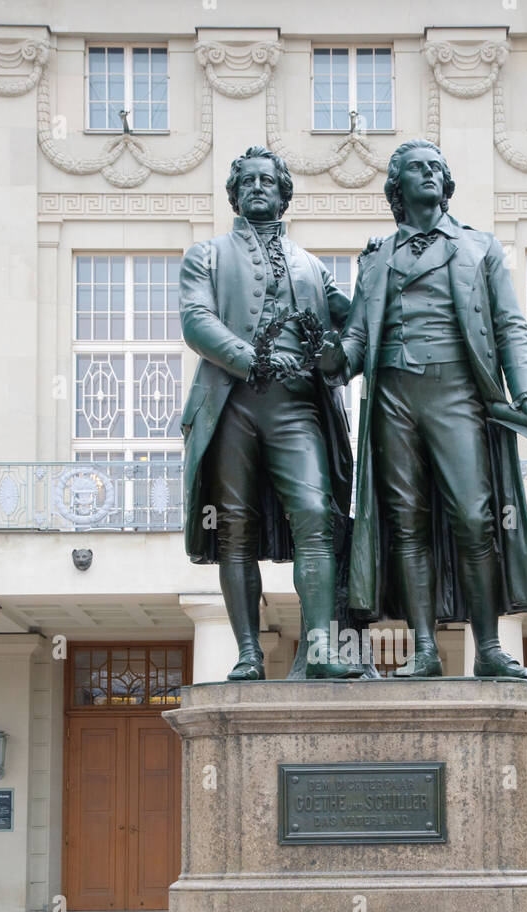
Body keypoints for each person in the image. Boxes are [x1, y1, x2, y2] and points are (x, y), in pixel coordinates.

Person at [317, 138, 527, 678]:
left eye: (435, 168)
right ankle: (424, 648)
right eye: (415, 169)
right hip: (394, 398)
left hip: (457, 393)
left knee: (475, 518)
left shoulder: (481, 248)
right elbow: (356, 338)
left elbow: (510, 327)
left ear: (446, 184)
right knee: (407, 524)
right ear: (397, 187)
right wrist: (332, 360)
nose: (427, 174)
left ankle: (489, 648)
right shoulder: (376, 257)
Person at [179, 144, 359, 679]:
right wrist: (247, 358)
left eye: (268, 181)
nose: (258, 187)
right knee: (235, 529)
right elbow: (195, 319)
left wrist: (339, 355)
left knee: (316, 518)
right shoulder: (206, 255)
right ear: (235, 194)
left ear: (284, 194)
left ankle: (322, 648)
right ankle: (249, 654)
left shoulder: (313, 266)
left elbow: (355, 330)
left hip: (297, 408)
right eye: (248, 181)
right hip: (233, 403)